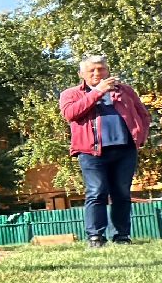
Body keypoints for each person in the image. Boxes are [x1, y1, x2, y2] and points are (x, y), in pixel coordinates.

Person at [59, 54, 149, 246]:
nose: (97, 73)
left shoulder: (125, 91)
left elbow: (143, 115)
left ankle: (121, 236)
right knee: (97, 191)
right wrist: (97, 92)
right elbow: (70, 114)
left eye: (101, 69)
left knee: (122, 193)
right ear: (81, 74)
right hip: (91, 151)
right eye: (91, 70)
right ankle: (95, 237)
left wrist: (140, 137)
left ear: (107, 71)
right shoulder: (71, 94)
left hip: (125, 150)